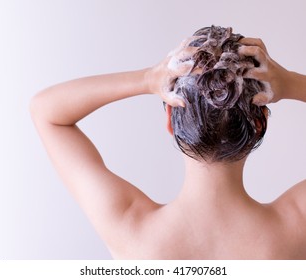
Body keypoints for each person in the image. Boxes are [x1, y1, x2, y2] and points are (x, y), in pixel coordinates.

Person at [30, 26, 306, 259]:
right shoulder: (295, 226)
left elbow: (46, 111)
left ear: (171, 123)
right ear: (260, 124)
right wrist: (291, 82)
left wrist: (147, 79)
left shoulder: (131, 229)